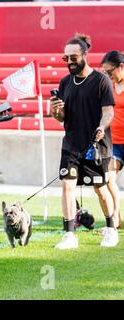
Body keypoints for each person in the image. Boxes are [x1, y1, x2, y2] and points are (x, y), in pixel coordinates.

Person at [51, 34, 119, 249]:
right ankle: (69, 234)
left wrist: (101, 127)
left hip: (95, 145)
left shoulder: (101, 80)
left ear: (85, 55)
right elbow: (61, 118)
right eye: (66, 59)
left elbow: (108, 112)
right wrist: (56, 112)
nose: (69, 62)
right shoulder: (64, 82)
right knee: (67, 187)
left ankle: (111, 228)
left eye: (73, 58)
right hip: (71, 144)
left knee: (100, 188)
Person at [101, 50, 124, 230]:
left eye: (110, 72)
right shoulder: (109, 86)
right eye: (106, 73)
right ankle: (115, 218)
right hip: (114, 142)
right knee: (108, 178)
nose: (108, 76)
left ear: (121, 67)